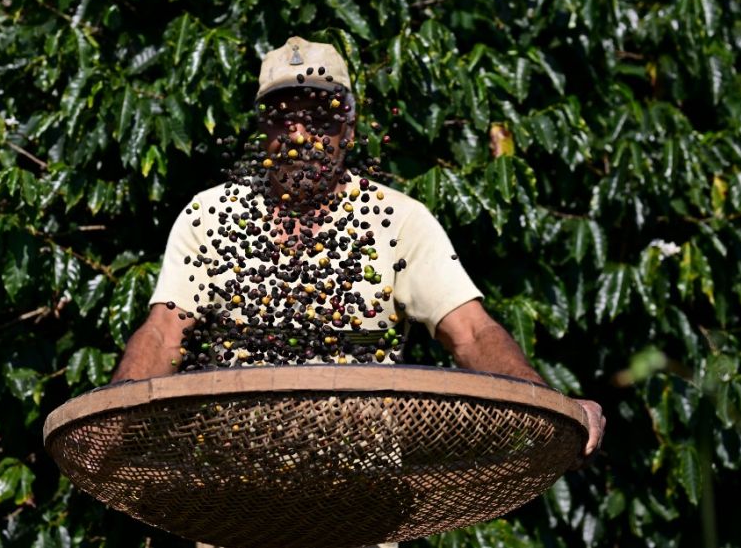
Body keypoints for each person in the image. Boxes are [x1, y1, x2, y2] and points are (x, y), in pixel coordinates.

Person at [111, 36, 606, 547]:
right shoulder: (212, 215)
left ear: (347, 126)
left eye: (320, 117)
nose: (301, 135)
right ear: (264, 128)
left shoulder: (395, 219)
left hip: (359, 513)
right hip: (235, 511)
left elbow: (473, 332)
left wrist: (549, 404)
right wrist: (116, 408)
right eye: (284, 117)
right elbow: (165, 330)